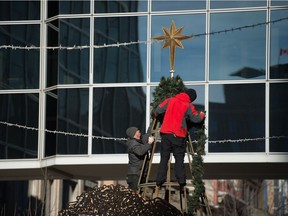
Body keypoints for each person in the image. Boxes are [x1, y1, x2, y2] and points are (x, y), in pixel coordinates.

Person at [155, 89, 205, 188]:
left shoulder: (170, 100)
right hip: (178, 135)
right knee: (179, 159)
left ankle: (159, 180)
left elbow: (158, 110)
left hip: (166, 133)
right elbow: (196, 119)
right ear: (191, 98)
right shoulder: (188, 105)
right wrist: (202, 114)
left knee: (164, 158)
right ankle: (181, 181)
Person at [126, 126, 154, 190]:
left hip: (139, 173)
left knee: (139, 193)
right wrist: (149, 143)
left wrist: (152, 124)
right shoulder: (132, 143)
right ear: (134, 134)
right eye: (137, 130)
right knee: (134, 194)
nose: (139, 131)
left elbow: (147, 135)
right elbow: (140, 151)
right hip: (135, 175)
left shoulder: (139, 141)